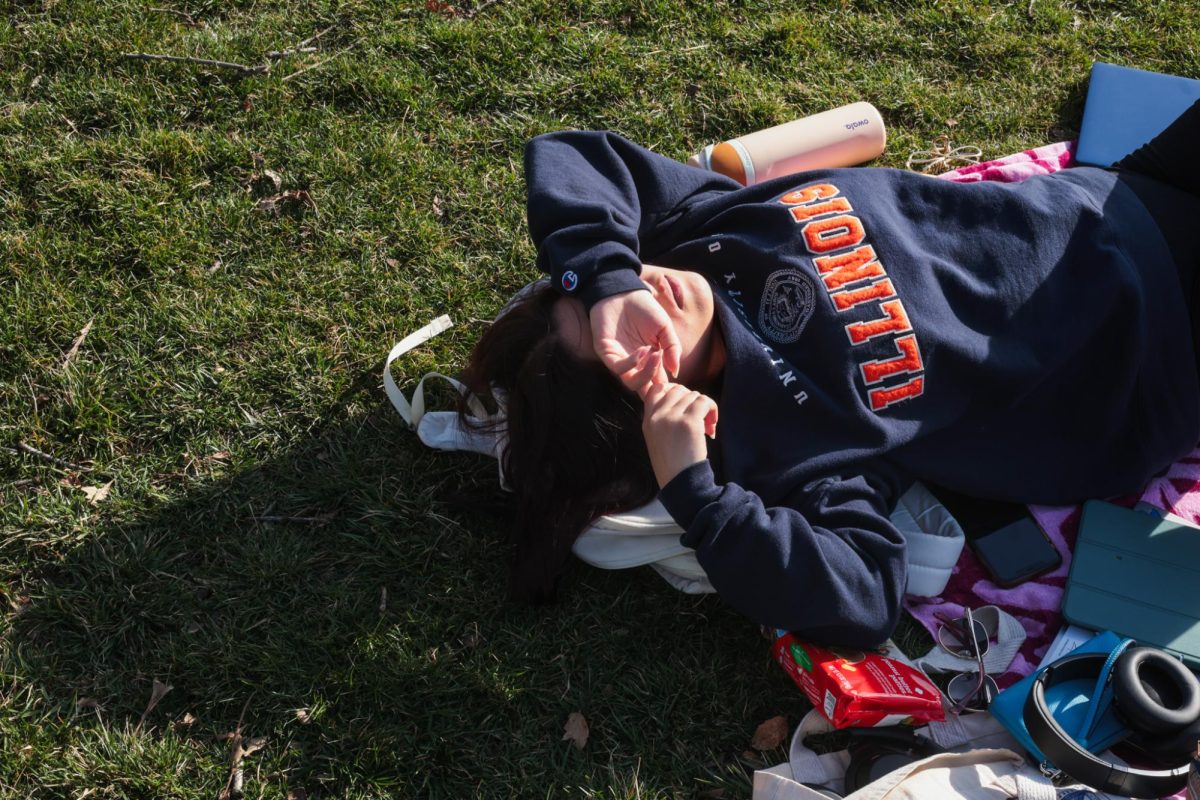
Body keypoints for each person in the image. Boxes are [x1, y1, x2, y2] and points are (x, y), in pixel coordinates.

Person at [459, 100, 1200, 649]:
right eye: (626, 346)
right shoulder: (786, 438)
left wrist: (603, 281)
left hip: (1120, 198)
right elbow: (863, 596)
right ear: (661, 405)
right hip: (1162, 347)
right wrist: (695, 492)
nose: (651, 294)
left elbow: (573, 153)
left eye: (602, 309)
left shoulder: (688, 236)